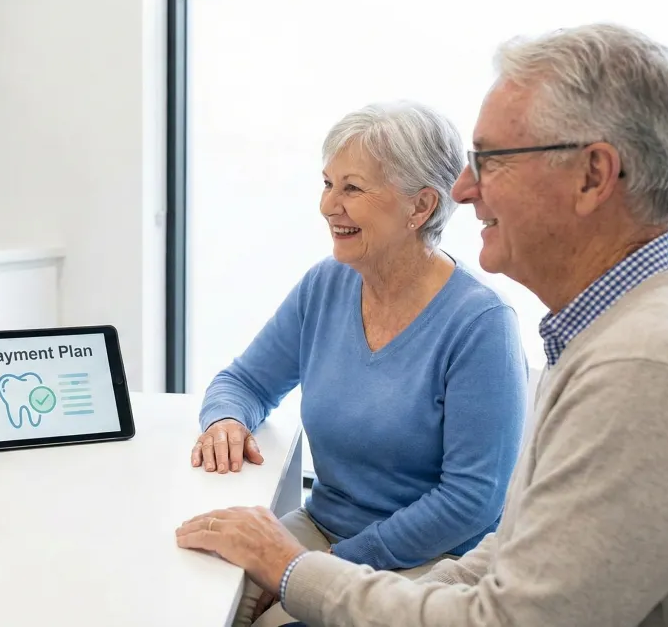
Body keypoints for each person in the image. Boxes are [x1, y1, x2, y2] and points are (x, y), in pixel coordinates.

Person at [178, 23, 668, 627]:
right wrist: (310, 571)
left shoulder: (648, 365)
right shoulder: (611, 334)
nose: (463, 190)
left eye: (491, 161)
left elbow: (509, 609)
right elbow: (514, 551)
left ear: (593, 176)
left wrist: (302, 574)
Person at [189, 100, 528, 625]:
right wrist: (226, 420)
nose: (328, 205)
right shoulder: (326, 285)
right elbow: (246, 381)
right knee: (200, 593)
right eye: (327, 184)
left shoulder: (481, 325)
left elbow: (471, 502)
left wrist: (319, 569)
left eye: (352, 188)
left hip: (425, 564)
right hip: (321, 531)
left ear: (420, 207)